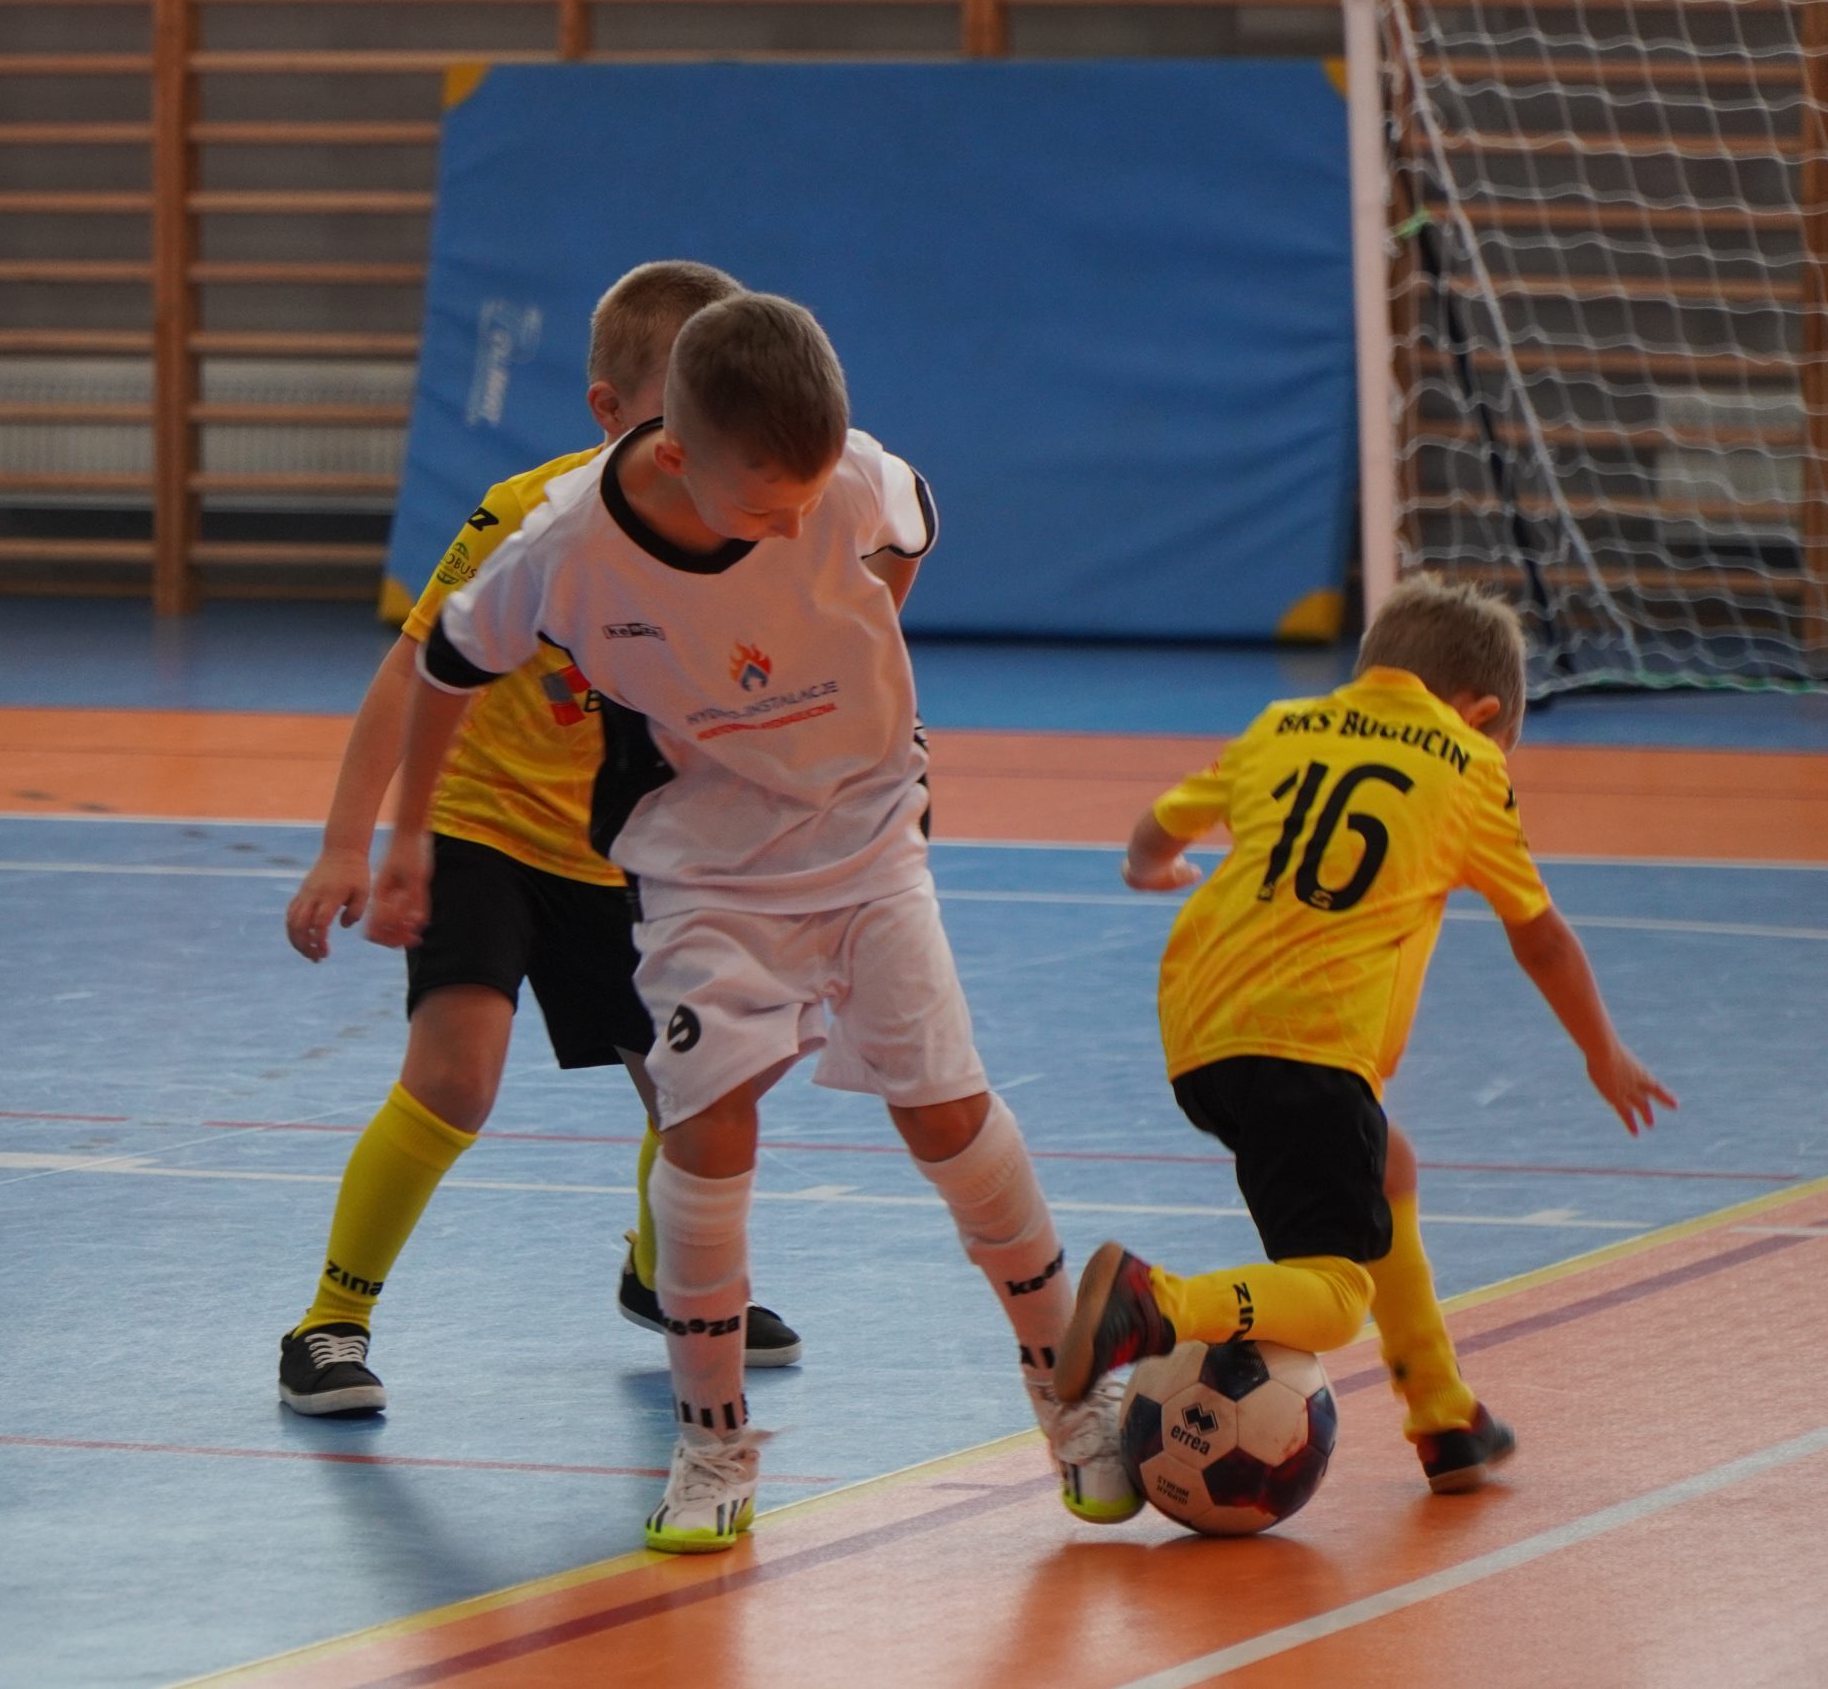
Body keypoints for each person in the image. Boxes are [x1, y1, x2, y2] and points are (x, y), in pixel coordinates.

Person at [366, 292, 1136, 1551]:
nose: (793, 527)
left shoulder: (850, 477)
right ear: (676, 453)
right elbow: (446, 664)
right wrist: (403, 841)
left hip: (868, 838)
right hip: (704, 868)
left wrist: (871, 618)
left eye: (810, 501)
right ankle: (712, 1445)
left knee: (945, 1113)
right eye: (767, 509)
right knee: (708, 1124)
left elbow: (907, 520)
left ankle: (1066, 1394)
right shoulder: (567, 545)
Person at [278, 260, 801, 1418]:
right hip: (483, 829)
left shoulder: (754, 532)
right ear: (610, 413)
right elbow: (409, 671)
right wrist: (348, 844)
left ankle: (660, 1276)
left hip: (633, 854)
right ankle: (328, 1321)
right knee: (454, 1078)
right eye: (683, 416)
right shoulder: (529, 517)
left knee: (694, 1089)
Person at [1054, 576, 1676, 1491]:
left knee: (1389, 1164)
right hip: (1309, 1044)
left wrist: (1152, 868)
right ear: (1482, 713)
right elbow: (1541, 937)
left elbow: (1157, 830)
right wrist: (1602, 1051)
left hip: (1200, 1028)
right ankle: (1155, 1303)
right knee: (1338, 1293)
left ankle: (1445, 1416)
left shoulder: (1284, 724)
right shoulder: (1468, 765)